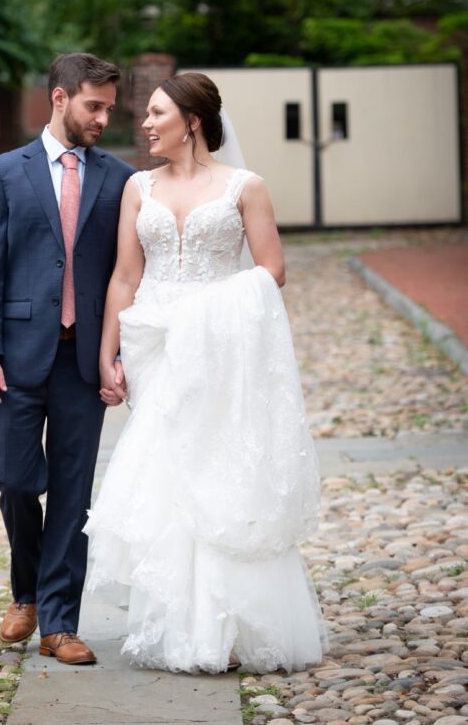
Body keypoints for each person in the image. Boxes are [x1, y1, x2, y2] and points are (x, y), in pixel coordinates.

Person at [85, 71, 328, 674]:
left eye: (157, 114)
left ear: (192, 121)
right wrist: (106, 352)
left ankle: (232, 626)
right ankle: (177, 627)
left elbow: (271, 270)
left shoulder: (245, 186)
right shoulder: (138, 187)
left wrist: (207, 313)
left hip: (219, 344)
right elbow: (124, 277)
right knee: (166, 473)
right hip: (157, 348)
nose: (145, 124)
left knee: (220, 467)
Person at [0, 53, 135, 666]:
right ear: (59, 99)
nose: (103, 118)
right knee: (15, 480)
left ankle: (59, 623)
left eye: (109, 108)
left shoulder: (120, 178)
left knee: (73, 491)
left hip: (83, 360)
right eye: (94, 106)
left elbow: (127, 272)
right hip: (15, 356)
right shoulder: (3, 173)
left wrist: (118, 353)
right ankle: (27, 590)